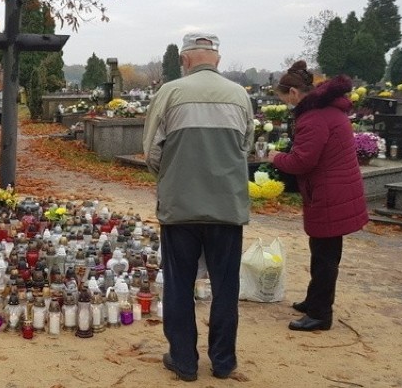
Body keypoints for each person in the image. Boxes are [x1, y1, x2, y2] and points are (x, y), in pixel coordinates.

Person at [143, 32, 253, 381]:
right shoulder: (239, 96)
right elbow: (245, 147)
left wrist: (175, 176)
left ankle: (184, 362)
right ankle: (223, 362)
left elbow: (152, 152)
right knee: (225, 287)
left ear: (186, 59)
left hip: (181, 207)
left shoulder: (170, 93)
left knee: (179, 285)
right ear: (217, 59)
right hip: (226, 208)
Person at [270, 61, 368, 331]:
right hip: (336, 190)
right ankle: (314, 301)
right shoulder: (326, 111)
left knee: (325, 257)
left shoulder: (313, 118)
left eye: (282, 97)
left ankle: (320, 314)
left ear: (292, 93)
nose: (284, 103)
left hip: (328, 194)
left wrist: (275, 157)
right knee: (323, 252)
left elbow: (302, 161)